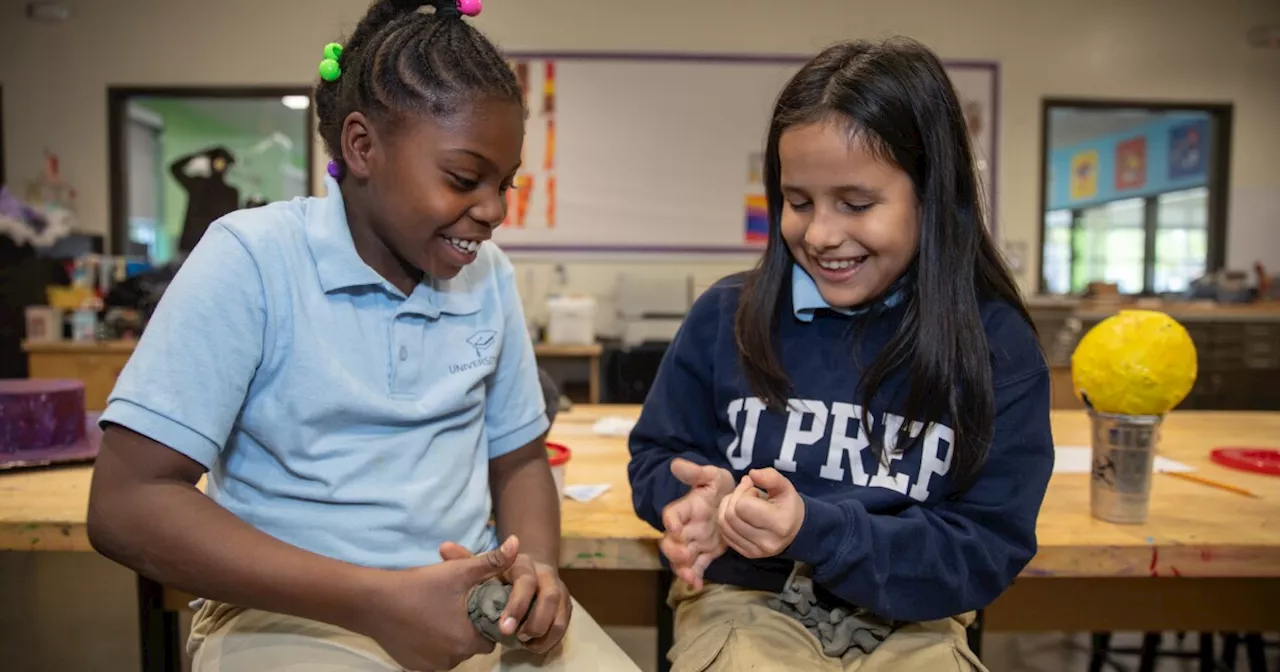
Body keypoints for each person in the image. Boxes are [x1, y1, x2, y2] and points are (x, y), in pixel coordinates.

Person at [86, 2, 638, 671]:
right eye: (465, 179)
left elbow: (519, 459)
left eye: (505, 184)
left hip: (469, 603)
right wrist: (378, 600)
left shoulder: (487, 277)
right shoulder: (253, 259)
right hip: (292, 611)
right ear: (361, 146)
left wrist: (539, 569)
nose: (492, 211)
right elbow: (128, 502)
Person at [628, 37, 1053, 672]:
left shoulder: (996, 346)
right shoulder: (726, 316)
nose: (821, 234)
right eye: (798, 203)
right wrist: (696, 496)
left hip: (915, 618)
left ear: (933, 194)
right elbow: (657, 455)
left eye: (856, 204)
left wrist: (817, 531)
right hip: (747, 601)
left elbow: (987, 548)